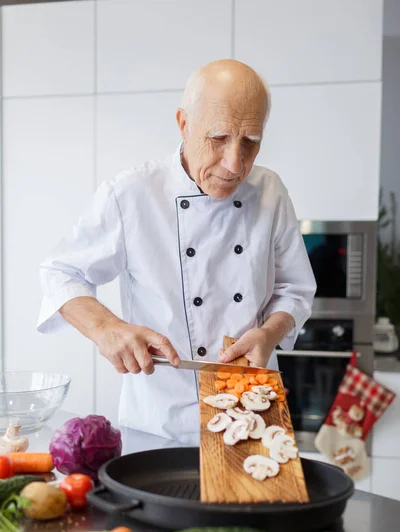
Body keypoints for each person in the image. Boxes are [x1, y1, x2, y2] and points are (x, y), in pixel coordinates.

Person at [37, 59, 316, 445]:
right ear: (184, 123)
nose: (235, 164)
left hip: (252, 413)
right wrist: (106, 328)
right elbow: (60, 272)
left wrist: (270, 333)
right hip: (159, 423)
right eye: (218, 138)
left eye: (251, 141)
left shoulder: (270, 190)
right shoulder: (132, 194)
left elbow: (295, 289)